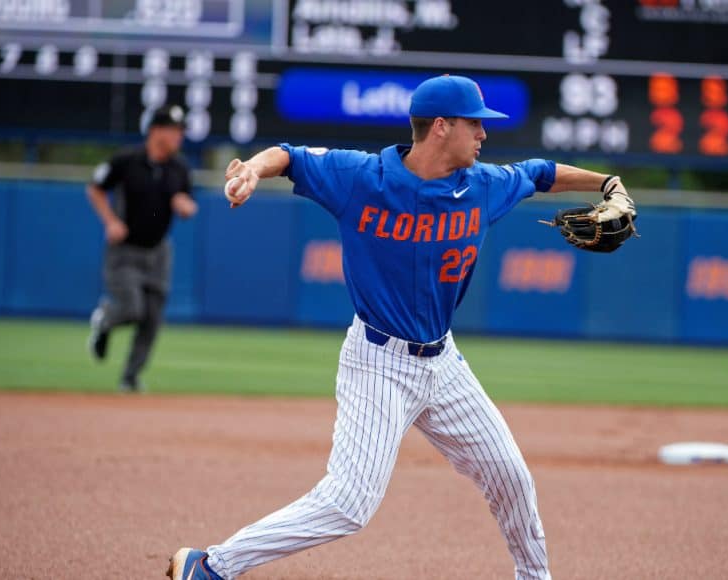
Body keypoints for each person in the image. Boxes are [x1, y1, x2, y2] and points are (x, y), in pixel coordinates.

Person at [167, 75, 636, 580]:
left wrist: (607, 184)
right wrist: (252, 170)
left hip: (444, 365)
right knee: (348, 504)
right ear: (441, 127)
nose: (483, 134)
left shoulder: (482, 185)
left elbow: (540, 173)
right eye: (474, 123)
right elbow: (290, 155)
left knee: (511, 476)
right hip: (378, 364)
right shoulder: (363, 178)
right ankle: (211, 565)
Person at [86, 105, 198, 392]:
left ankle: (130, 377)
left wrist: (185, 206)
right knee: (132, 309)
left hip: (159, 251)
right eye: (173, 130)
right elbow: (95, 187)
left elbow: (186, 199)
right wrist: (110, 221)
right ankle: (105, 320)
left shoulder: (180, 167)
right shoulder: (127, 159)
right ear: (155, 131)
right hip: (124, 250)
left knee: (151, 319)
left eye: (180, 131)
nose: (178, 136)